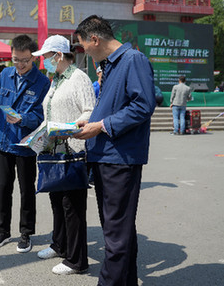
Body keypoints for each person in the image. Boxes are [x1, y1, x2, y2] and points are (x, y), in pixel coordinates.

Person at [73, 15, 156, 286]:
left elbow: (143, 106)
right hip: (107, 156)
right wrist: (92, 119)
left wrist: (101, 125)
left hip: (119, 158)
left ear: (95, 39)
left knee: (116, 236)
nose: (84, 52)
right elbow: (114, 105)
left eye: (84, 46)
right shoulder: (111, 65)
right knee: (120, 231)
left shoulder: (133, 60)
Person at [0, 35, 50, 253]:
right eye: (15, 59)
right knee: (3, 188)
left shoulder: (42, 82)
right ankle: (3, 231)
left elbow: (41, 115)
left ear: (34, 59)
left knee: (26, 190)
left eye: (24, 61)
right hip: (3, 140)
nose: (19, 65)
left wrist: (23, 119)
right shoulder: (5, 74)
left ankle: (26, 233)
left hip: (25, 144)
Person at [31, 35, 95, 275]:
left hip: (73, 151)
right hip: (53, 150)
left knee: (72, 206)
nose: (44, 62)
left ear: (58, 55)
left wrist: (69, 127)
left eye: (46, 57)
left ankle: (77, 260)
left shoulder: (79, 79)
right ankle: (59, 245)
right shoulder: (55, 79)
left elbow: (90, 112)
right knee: (57, 200)